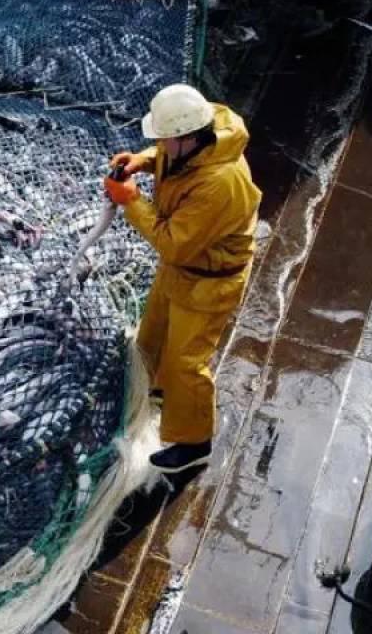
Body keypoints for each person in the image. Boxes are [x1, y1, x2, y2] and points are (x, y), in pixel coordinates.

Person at [104, 84, 262, 473]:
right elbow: (177, 160)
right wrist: (144, 160)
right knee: (153, 334)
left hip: (209, 280)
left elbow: (174, 243)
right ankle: (157, 394)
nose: (159, 142)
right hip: (182, 271)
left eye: (162, 139)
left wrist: (131, 201)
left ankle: (194, 443)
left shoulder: (220, 183)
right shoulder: (202, 138)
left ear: (186, 137)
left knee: (187, 363)